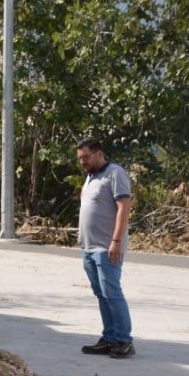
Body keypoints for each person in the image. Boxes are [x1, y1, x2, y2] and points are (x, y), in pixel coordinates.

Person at [75, 137, 135, 358]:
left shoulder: (115, 173)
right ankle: (109, 338)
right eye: (80, 159)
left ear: (99, 152)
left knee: (112, 293)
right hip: (89, 247)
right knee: (101, 294)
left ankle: (123, 340)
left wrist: (116, 241)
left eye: (86, 157)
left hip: (107, 247)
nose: (83, 162)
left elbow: (123, 209)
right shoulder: (91, 177)